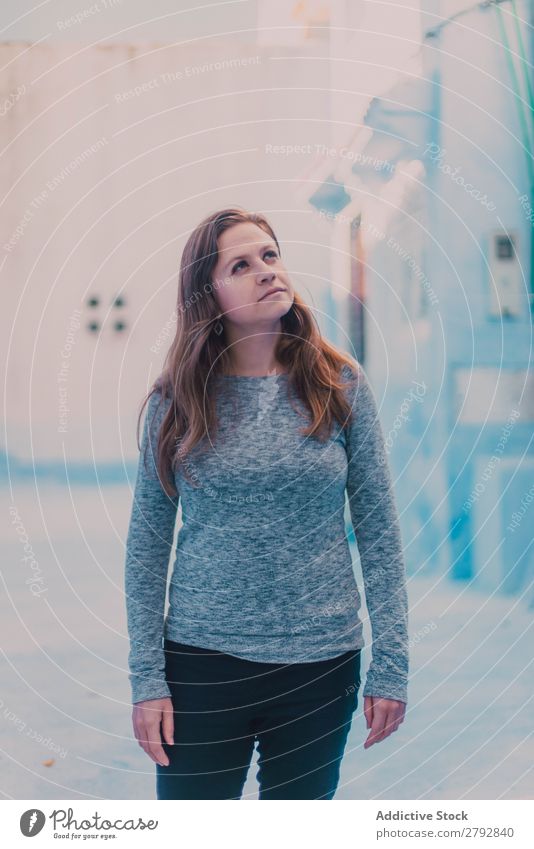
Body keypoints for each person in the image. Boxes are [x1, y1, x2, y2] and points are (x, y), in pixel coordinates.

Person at [124, 207, 409, 800]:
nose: (266, 271)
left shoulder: (339, 385)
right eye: (241, 264)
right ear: (209, 294)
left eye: (271, 256)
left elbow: (379, 532)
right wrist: (147, 679)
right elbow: (147, 548)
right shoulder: (176, 402)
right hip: (201, 663)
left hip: (320, 665)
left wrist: (392, 664)